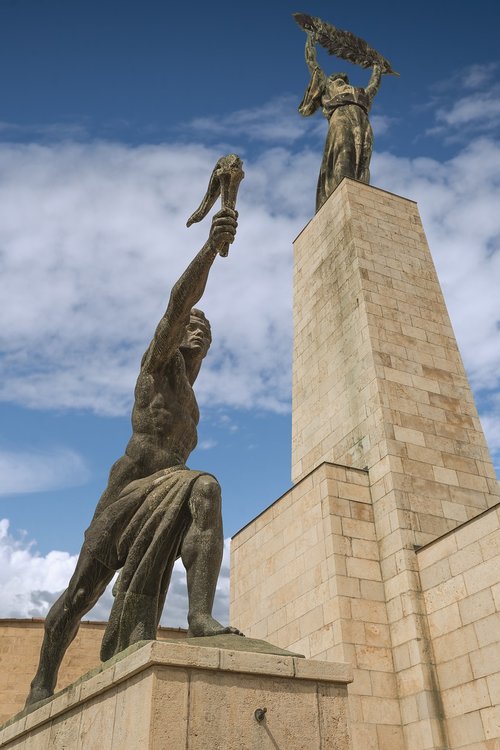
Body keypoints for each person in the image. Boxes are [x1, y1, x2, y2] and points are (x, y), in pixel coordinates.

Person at [26, 207, 242, 707]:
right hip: (122, 498)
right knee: (78, 598)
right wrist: (210, 249)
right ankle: (41, 681)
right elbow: (176, 303)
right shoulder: (153, 368)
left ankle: (199, 618)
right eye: (193, 327)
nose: (198, 332)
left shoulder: (188, 395)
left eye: (205, 330)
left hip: (167, 486)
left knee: (204, 487)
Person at [299, 31, 382, 211]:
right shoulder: (328, 88)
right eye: (337, 80)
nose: (341, 81)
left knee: (363, 158)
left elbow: (373, 87)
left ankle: (360, 194)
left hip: (362, 121)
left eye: (343, 80)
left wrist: (377, 69)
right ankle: (340, 194)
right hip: (340, 117)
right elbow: (312, 63)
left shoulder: (359, 93)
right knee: (344, 151)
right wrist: (310, 41)